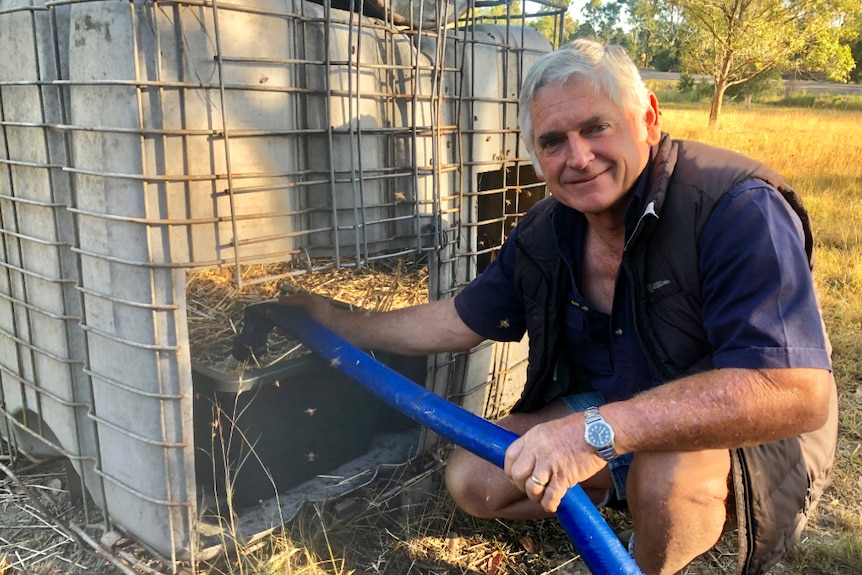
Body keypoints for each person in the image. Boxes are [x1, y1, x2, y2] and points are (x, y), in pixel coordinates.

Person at [279, 39, 838, 575]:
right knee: (475, 477)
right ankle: (638, 493)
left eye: (596, 127)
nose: (577, 158)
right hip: (621, 405)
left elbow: (795, 392)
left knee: (665, 474)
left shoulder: (736, 207)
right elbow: (457, 319)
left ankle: (659, 551)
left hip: (748, 434)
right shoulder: (547, 230)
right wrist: (339, 323)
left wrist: (594, 432)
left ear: (647, 118)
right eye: (553, 141)